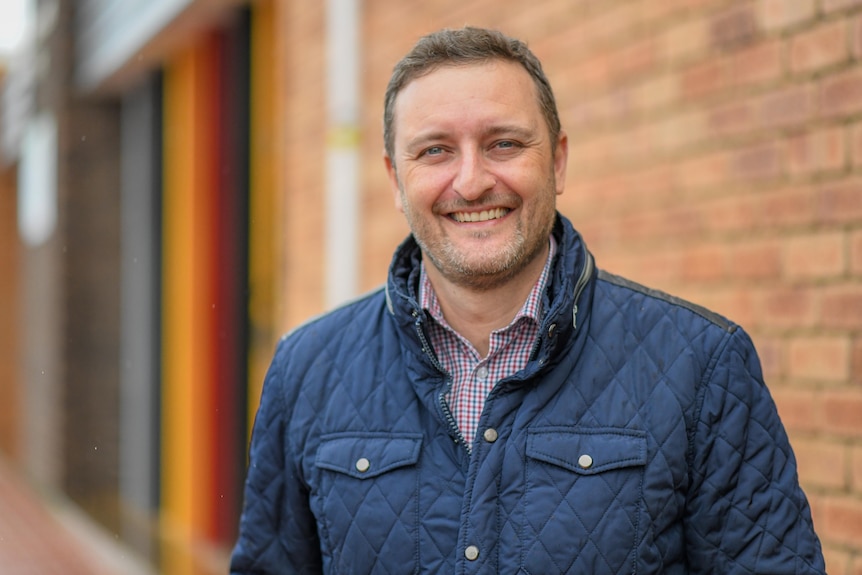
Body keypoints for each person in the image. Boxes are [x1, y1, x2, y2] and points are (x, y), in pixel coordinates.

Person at [230, 26, 826, 574]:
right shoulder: (306, 370)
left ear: (558, 160)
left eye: (504, 144)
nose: (471, 182)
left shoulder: (701, 366)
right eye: (435, 150)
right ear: (394, 179)